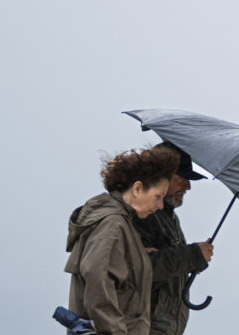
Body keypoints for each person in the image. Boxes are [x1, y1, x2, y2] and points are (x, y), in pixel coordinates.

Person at [63, 146, 179, 335]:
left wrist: (137, 258)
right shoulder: (113, 225)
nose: (159, 206)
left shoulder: (121, 224)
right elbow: (99, 287)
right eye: (158, 197)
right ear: (138, 188)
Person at [134, 142, 214, 335]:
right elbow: (139, 268)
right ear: (161, 176)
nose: (188, 186)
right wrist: (193, 255)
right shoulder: (141, 212)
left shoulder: (169, 217)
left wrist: (195, 258)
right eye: (183, 178)